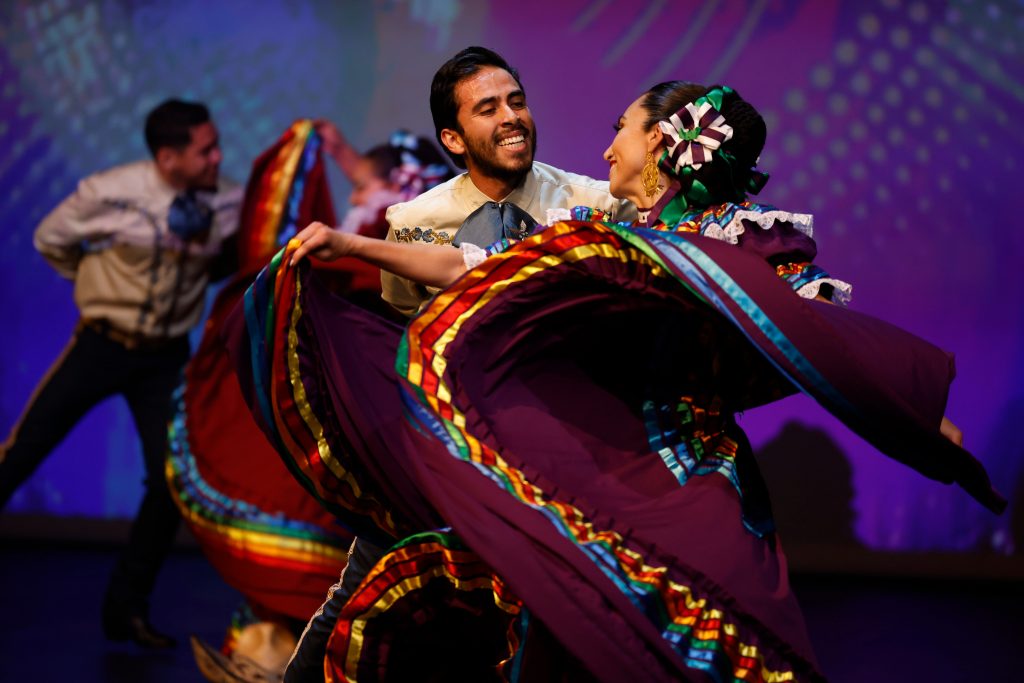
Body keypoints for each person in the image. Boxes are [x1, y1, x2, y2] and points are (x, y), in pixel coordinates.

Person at [274, 78, 1004, 681]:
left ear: (660, 141)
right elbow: (475, 268)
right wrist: (351, 245)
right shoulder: (610, 233)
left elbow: (809, 328)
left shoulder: (724, 239)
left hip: (693, 484)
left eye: (620, 128)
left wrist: (909, 405)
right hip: (601, 467)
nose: (606, 147)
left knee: (699, 645)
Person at [0, 98, 242, 649]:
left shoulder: (229, 200)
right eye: (205, 150)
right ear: (168, 158)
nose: (217, 157)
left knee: (171, 481)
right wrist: (95, 284)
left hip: (165, 357)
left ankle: (126, 608)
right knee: (22, 454)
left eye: (215, 146)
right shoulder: (108, 192)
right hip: (102, 344)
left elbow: (226, 260)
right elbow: (50, 239)